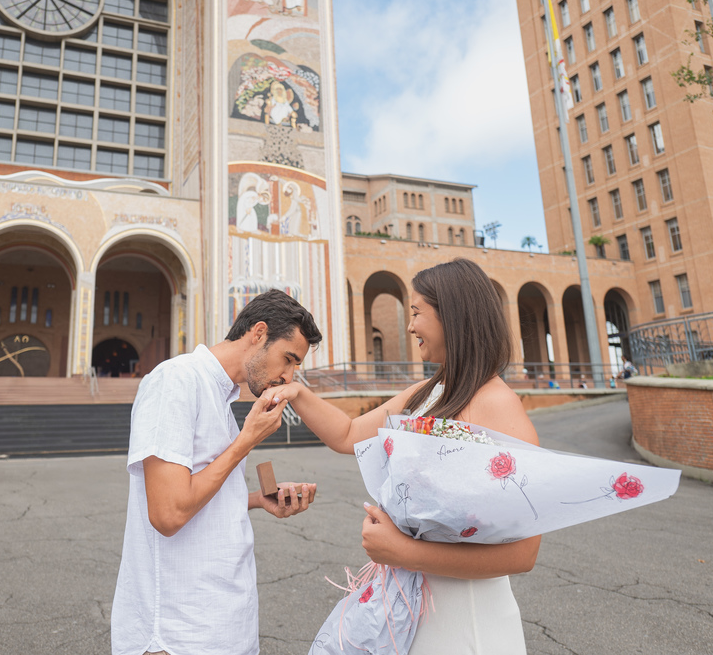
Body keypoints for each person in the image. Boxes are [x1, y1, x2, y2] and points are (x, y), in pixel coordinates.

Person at [275, 259, 537, 654]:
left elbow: (523, 553)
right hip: (412, 613)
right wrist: (296, 392)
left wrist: (405, 552)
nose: (410, 326)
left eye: (416, 312)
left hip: (467, 623)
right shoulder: (428, 392)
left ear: (453, 315)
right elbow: (347, 434)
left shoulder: (499, 405)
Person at [112, 289, 322, 655]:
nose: (288, 377)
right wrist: (246, 441)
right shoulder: (175, 381)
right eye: (288, 359)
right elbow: (168, 513)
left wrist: (255, 500)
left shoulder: (221, 399)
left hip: (226, 624)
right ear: (258, 333)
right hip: (179, 633)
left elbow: (199, 492)